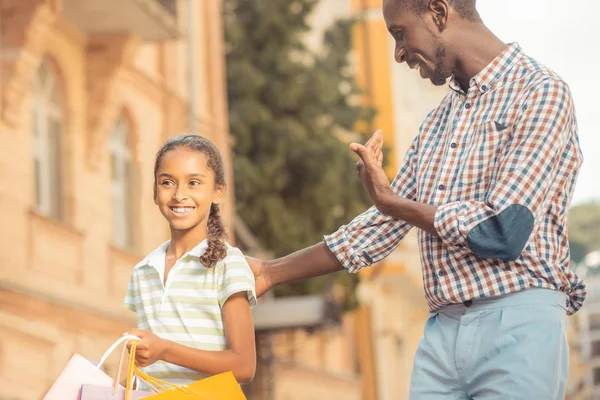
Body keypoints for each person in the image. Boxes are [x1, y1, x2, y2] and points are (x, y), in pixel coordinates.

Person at [248, 0, 585, 398]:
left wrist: (395, 204)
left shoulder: (541, 92)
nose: (398, 53)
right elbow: (377, 228)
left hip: (518, 325)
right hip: (441, 336)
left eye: (400, 33)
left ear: (439, 12)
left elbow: (505, 231)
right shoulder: (438, 122)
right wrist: (268, 273)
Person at [123, 134, 257, 386]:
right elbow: (152, 374)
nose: (179, 195)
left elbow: (244, 366)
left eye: (193, 182)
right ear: (154, 192)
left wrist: (164, 350)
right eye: (167, 183)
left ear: (218, 191)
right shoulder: (143, 271)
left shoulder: (228, 264)